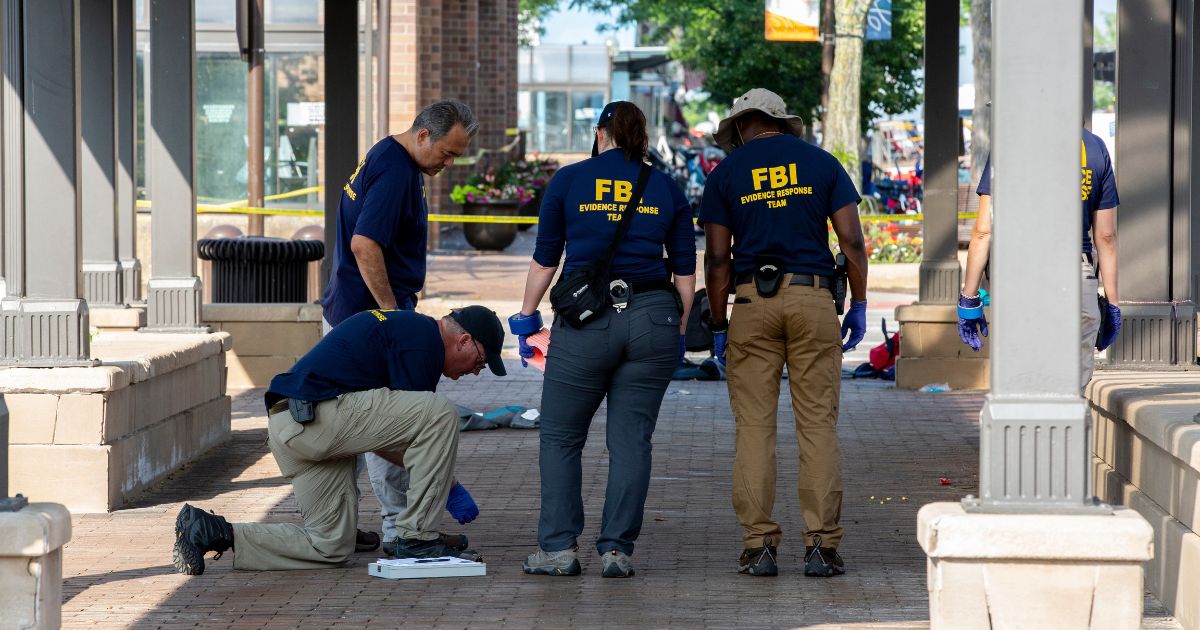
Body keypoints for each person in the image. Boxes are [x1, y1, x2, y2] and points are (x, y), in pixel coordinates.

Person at [171, 306, 506, 574]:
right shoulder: (424, 342)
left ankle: (212, 531)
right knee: (442, 413)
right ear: (463, 340)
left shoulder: (407, 330)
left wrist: (441, 480)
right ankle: (417, 538)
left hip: (291, 425)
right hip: (318, 418)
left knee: (330, 546)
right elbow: (406, 438)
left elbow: (384, 437)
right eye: (480, 361)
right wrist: (448, 486)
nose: (476, 371)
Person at [509, 101, 696, 578]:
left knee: (560, 436)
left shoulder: (570, 181)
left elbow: (546, 260)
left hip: (586, 322)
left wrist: (527, 317)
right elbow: (684, 272)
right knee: (632, 441)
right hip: (653, 314)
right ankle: (616, 551)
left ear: (600, 134)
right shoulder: (665, 185)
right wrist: (678, 328)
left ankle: (558, 550)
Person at [700, 88, 869, 578]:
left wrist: (718, 322)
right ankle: (821, 547)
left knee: (754, 429)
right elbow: (852, 242)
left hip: (752, 302)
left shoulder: (726, 175)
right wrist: (858, 304)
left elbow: (716, 260)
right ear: (780, 121)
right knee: (817, 426)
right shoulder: (821, 164)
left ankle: (759, 547)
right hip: (814, 299)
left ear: (739, 128)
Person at [321, 100, 478, 556]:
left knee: (346, 426)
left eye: (457, 157)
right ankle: (400, 530)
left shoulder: (388, 155)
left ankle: (338, 527)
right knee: (391, 421)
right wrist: (393, 315)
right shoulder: (395, 171)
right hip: (367, 321)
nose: (449, 165)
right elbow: (365, 243)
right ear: (423, 135)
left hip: (350, 313)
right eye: (447, 153)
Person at [958, 129, 1121, 390]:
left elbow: (983, 231)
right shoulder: (1094, 147)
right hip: (1077, 275)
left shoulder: (1010, 142)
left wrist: (969, 298)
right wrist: (1112, 304)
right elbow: (1106, 235)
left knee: (1022, 385)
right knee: (1072, 393)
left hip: (1021, 274)